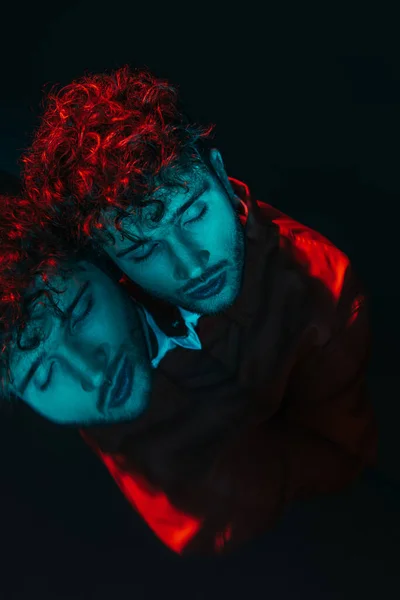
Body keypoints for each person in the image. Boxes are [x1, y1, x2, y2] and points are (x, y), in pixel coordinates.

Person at [21, 66, 378, 555]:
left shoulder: (325, 288)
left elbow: (343, 455)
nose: (193, 263)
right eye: (144, 251)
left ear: (219, 174)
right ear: (108, 261)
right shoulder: (89, 349)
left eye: (193, 213)